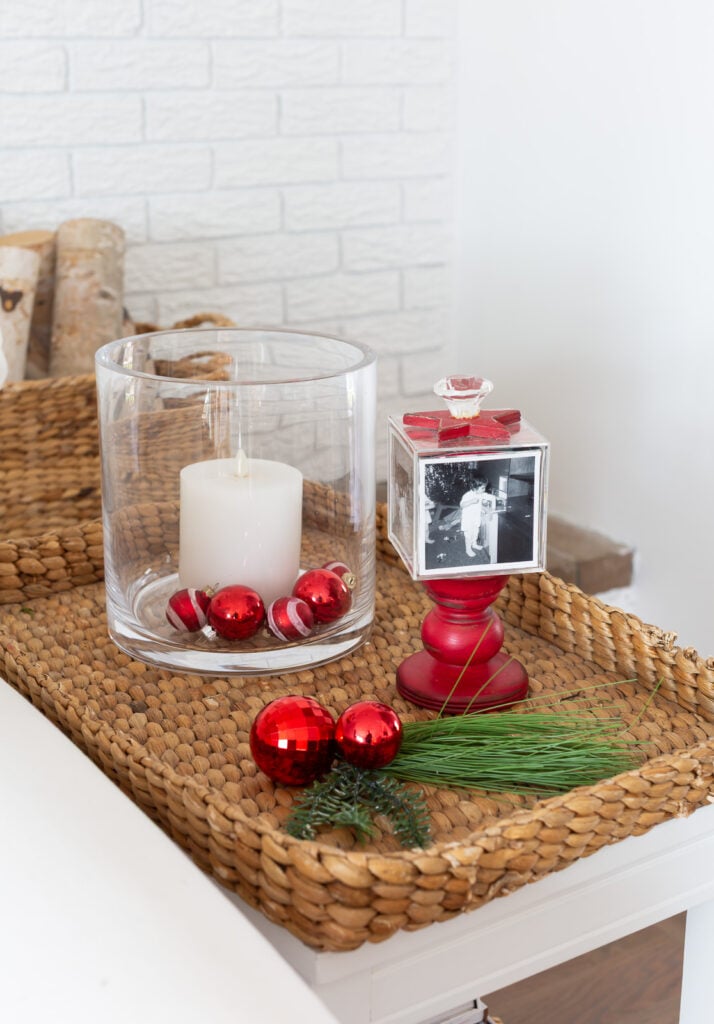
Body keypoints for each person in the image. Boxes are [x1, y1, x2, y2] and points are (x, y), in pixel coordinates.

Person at [459, 478, 491, 558]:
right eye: (483, 488)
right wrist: (471, 501)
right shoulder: (468, 495)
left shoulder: (480, 494)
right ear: (475, 488)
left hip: (475, 518)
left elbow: (486, 497)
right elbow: (462, 505)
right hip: (468, 519)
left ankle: (474, 544)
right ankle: (468, 549)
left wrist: (483, 507)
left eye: (485, 487)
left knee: (475, 532)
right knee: (469, 535)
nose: (484, 489)